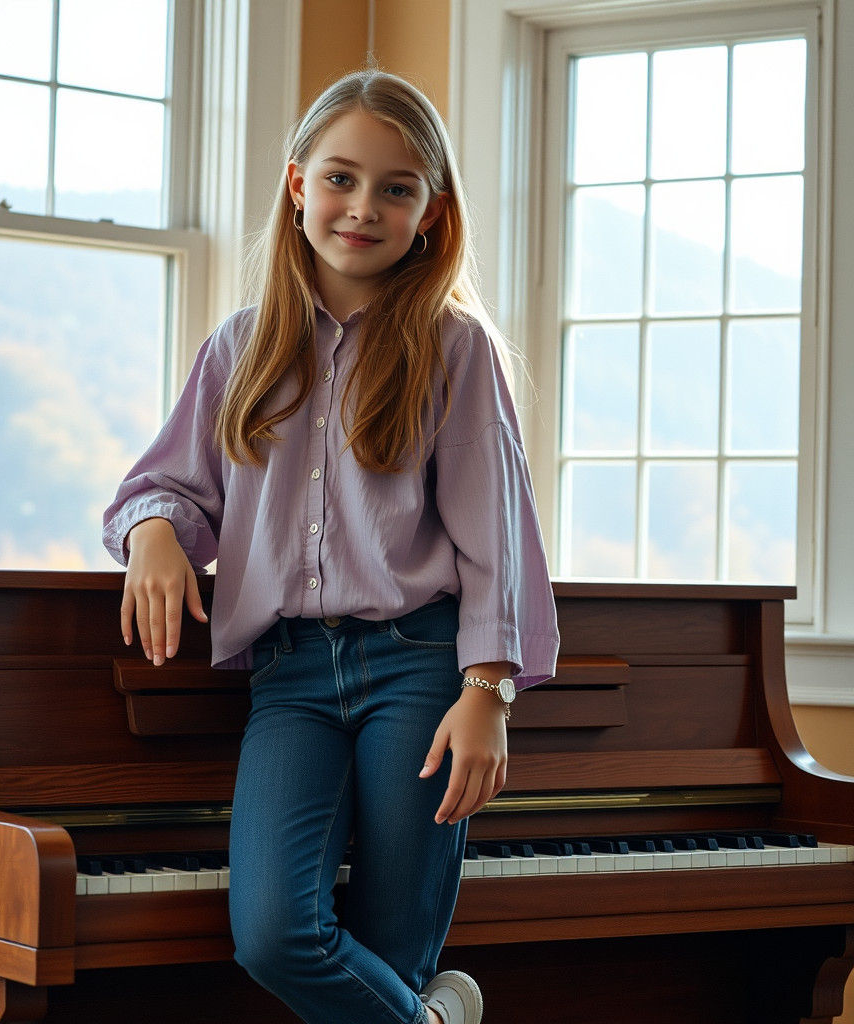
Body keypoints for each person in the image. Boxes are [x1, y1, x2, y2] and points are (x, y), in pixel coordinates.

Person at [102, 69, 559, 1024]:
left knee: (389, 950)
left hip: (422, 674)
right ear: (298, 183)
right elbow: (169, 484)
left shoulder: (453, 348)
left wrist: (490, 691)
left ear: (431, 213)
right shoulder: (239, 348)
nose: (364, 207)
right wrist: (152, 531)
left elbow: (499, 538)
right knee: (274, 932)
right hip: (289, 677)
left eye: (397, 188)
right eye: (342, 178)